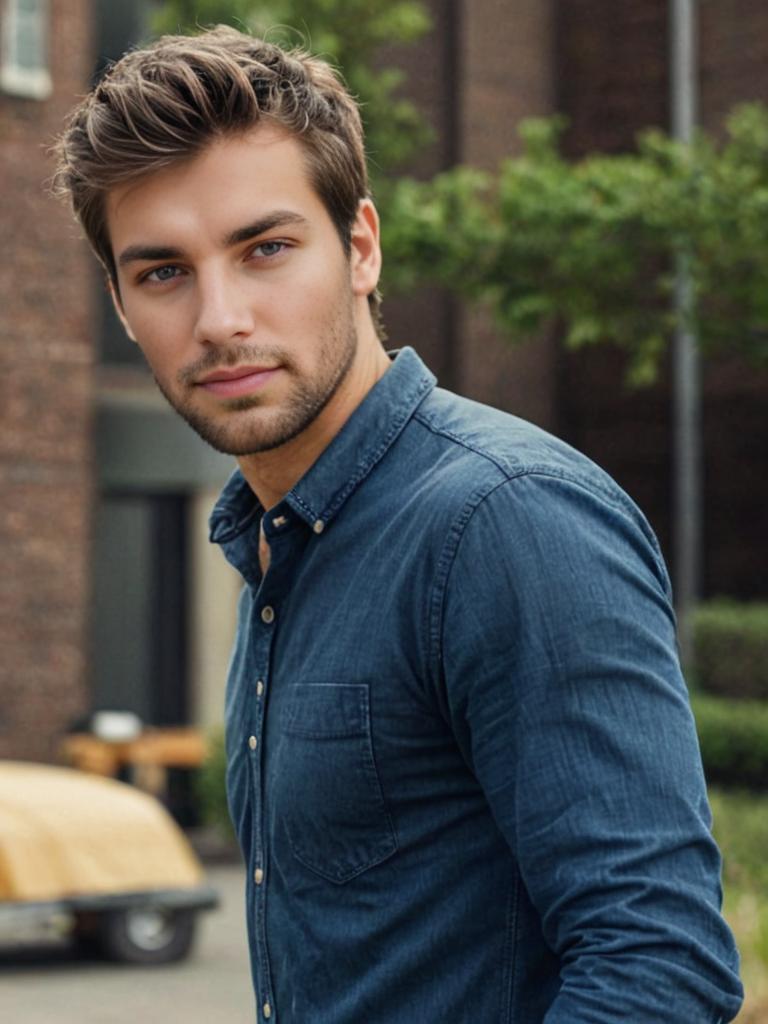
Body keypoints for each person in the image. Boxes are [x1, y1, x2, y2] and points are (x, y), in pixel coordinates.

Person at [54, 26, 743, 1023]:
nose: (219, 317)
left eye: (267, 249)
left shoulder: (507, 520)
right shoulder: (280, 539)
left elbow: (658, 967)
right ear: (120, 302)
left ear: (362, 246)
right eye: (163, 271)